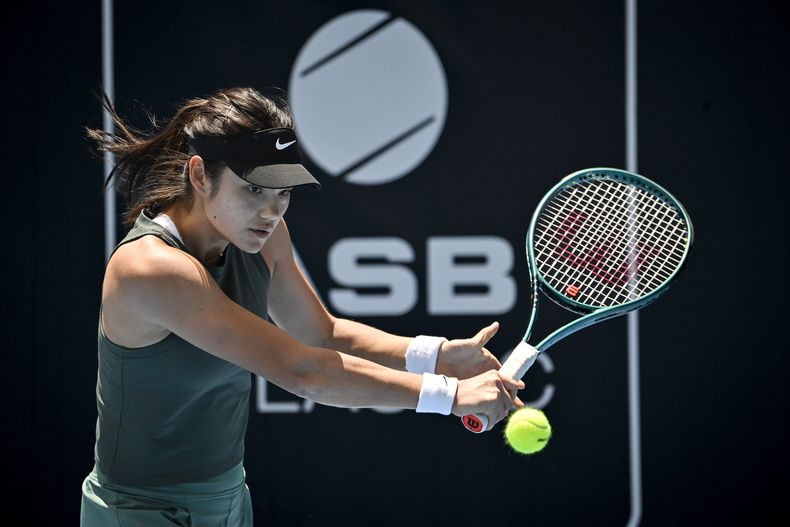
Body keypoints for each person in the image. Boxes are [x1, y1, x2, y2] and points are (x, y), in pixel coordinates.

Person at [80, 86, 523, 526]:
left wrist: (435, 355)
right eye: (254, 189)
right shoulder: (150, 269)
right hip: (138, 511)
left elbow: (320, 333)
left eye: (283, 192)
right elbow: (303, 371)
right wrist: (450, 395)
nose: (271, 213)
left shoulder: (264, 232)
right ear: (199, 175)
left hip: (230, 498)